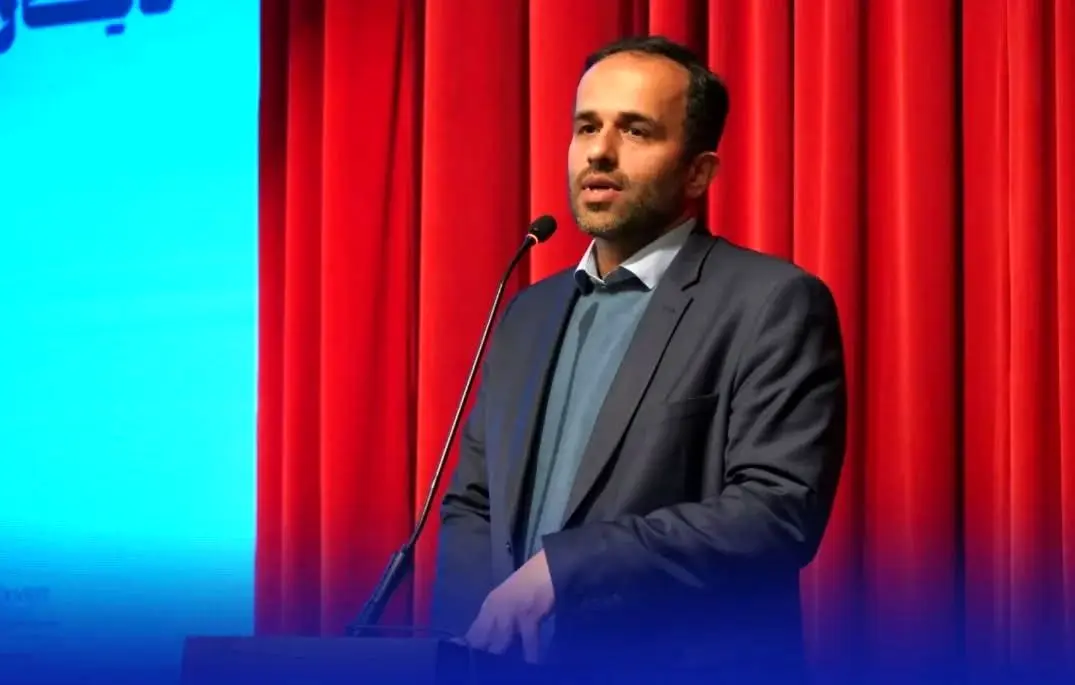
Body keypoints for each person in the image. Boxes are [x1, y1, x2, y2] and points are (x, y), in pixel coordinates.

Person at [430, 35, 847, 682]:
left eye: (635, 130)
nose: (599, 151)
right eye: (586, 126)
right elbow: (473, 505)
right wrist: (469, 646)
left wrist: (566, 568)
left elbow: (775, 511)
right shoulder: (527, 313)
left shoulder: (771, 302)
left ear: (698, 173)